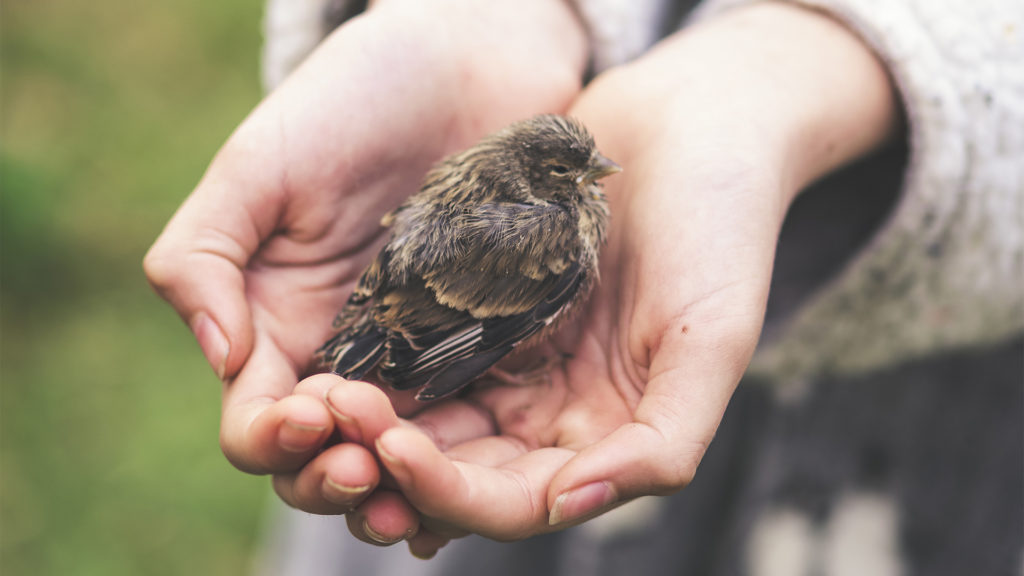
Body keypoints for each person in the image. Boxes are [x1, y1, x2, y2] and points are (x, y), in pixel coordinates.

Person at [144, 0, 1023, 573]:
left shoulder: (511, 194)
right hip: (427, 324)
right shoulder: (547, 237)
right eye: (574, 170)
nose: (599, 174)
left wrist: (781, 75)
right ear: (540, 170)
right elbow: (474, 322)